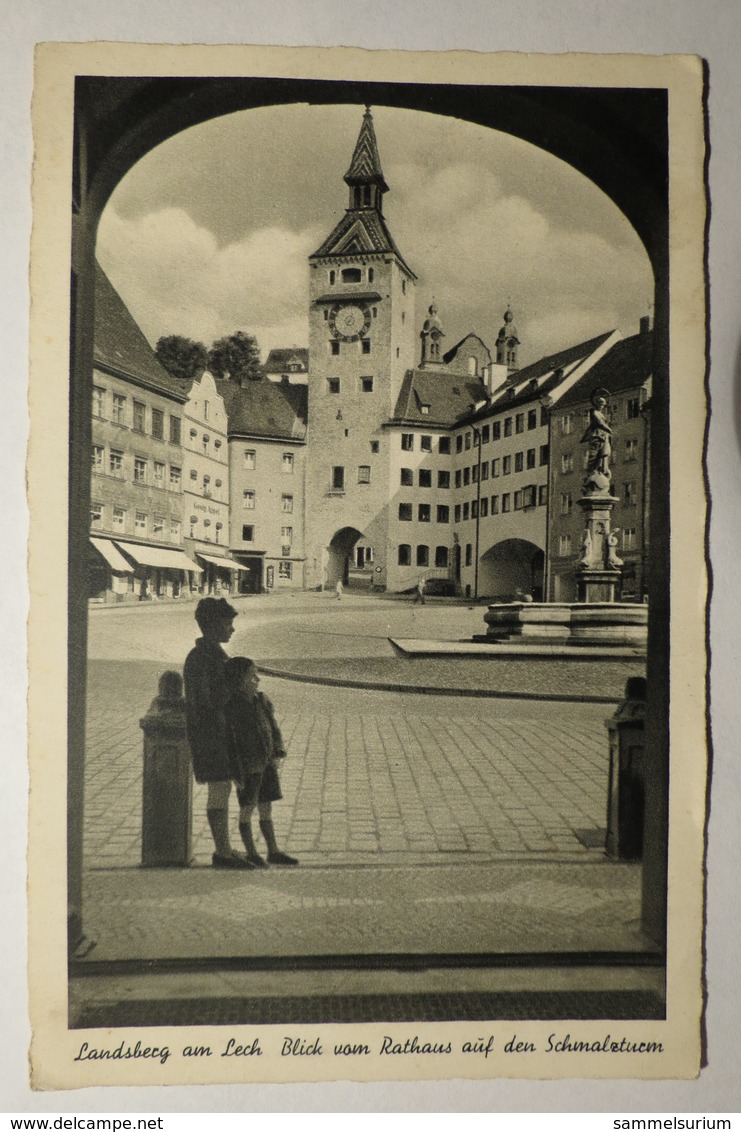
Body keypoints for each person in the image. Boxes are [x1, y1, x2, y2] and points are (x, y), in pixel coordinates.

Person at [183, 597, 252, 870]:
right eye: (228, 623)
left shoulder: (211, 655)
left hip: (219, 733)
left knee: (222, 788)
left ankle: (224, 848)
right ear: (213, 625)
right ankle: (222, 852)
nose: (232, 629)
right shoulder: (202, 658)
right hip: (210, 734)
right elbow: (210, 701)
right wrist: (235, 683)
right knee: (219, 789)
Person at [223, 657, 298, 868]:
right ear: (239, 680)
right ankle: (252, 852)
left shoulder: (261, 700)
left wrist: (277, 750)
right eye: (252, 675)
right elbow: (231, 744)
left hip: (266, 763)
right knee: (247, 808)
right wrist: (236, 774)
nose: (257, 679)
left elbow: (273, 728)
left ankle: (273, 850)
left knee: (266, 807)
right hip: (248, 768)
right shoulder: (232, 707)